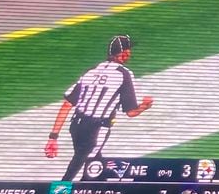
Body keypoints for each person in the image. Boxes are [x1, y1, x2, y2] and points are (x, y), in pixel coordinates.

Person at [44, 35, 153, 180]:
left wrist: (53, 137)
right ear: (124, 52)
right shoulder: (124, 74)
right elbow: (131, 112)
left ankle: (101, 190)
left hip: (76, 126)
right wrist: (145, 106)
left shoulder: (91, 71)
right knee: (80, 164)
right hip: (98, 127)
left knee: (93, 161)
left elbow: (67, 104)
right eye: (128, 50)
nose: (130, 53)